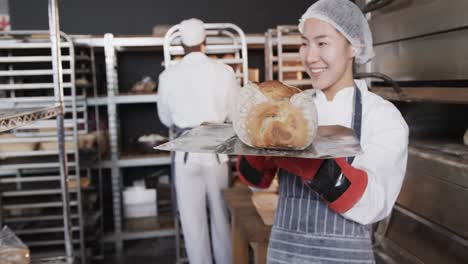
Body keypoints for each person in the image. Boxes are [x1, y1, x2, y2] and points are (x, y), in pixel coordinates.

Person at [236, 0, 409, 263]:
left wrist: (314, 167)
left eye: (322, 43)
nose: (309, 56)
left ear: (354, 46)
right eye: (304, 43)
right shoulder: (290, 108)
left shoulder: (382, 117)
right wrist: (256, 152)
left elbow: (375, 203)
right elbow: (255, 182)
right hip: (285, 255)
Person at [157, 18, 238, 264]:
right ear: (205, 41)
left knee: (192, 223)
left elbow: (164, 119)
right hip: (216, 152)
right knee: (221, 219)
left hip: (185, 154)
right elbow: (234, 115)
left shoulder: (168, 75)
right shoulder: (224, 71)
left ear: (181, 43)